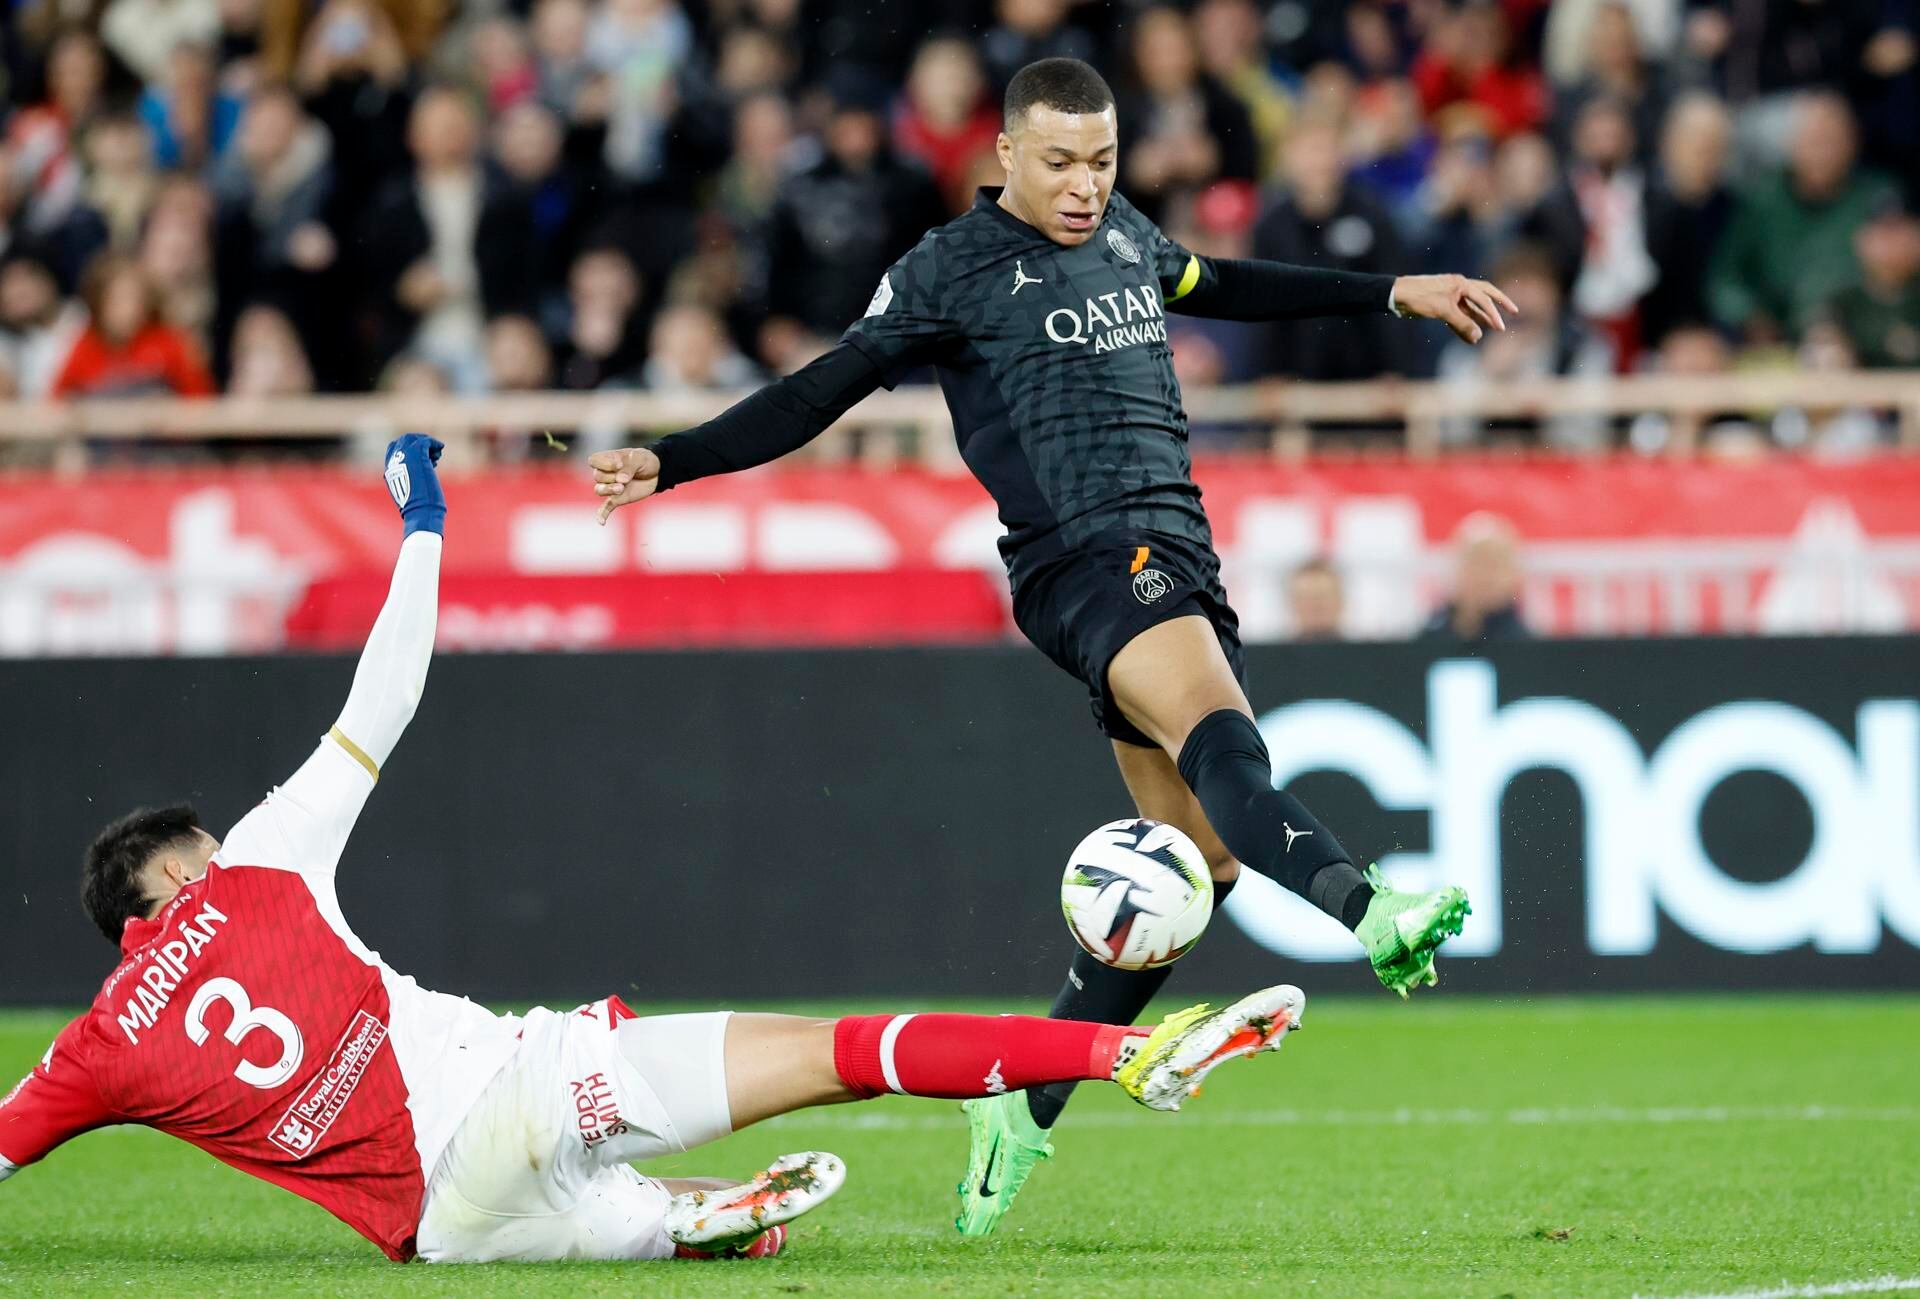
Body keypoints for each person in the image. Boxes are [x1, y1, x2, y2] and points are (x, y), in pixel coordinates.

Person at [0, 435, 1309, 1264]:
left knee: (611, 1212)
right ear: (172, 875)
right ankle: (1121, 1049)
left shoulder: (92, 1048)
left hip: (448, 1226)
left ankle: (678, 1221)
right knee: (840, 1053)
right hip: (515, 1085)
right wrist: (420, 519)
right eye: (203, 849)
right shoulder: (256, 868)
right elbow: (383, 695)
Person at [587, 58, 1504, 1237]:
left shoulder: (1121, 232)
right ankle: (1364, 906)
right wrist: (677, 457)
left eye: (1103, 161)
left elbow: (1217, 279)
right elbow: (824, 387)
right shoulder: (946, 270)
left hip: (1172, 545)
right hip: (1087, 556)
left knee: (1192, 870)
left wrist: (1393, 292)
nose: (1084, 186)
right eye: (1061, 162)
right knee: (1226, 740)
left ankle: (1020, 1108)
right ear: (1005, 157)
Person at [1418, 513, 1533, 645]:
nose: (1484, 575)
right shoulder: (1428, 639)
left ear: (1513, 574)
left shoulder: (1526, 646)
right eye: (1476, 562)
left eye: (1495, 564)